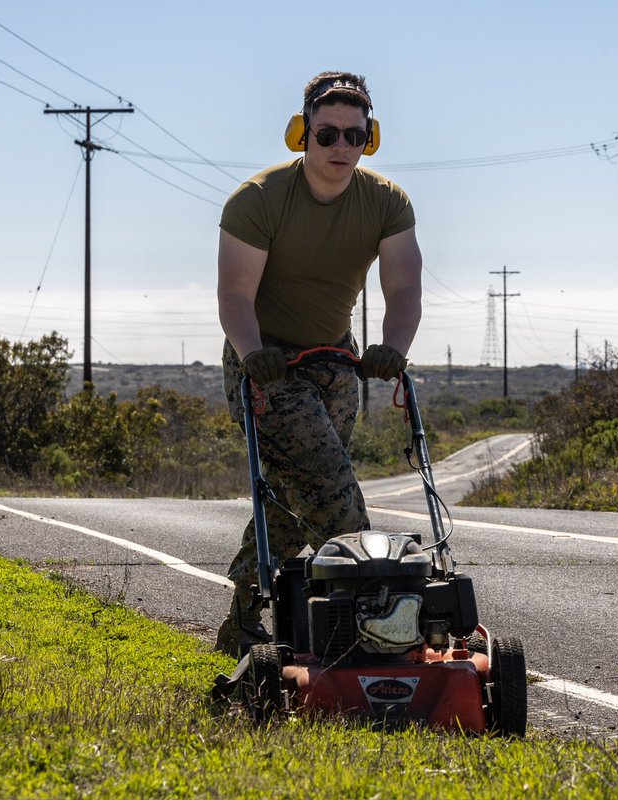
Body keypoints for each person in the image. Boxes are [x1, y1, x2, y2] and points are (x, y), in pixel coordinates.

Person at [214, 71, 423, 657]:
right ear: (301, 133)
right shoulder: (258, 200)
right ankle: (371, 638)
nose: (340, 148)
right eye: (327, 133)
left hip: (335, 362)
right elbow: (234, 295)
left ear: (370, 139)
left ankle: (240, 638)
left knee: (289, 504)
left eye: (354, 136)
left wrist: (392, 348)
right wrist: (255, 356)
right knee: (336, 499)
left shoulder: (385, 201)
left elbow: (404, 287)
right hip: (266, 364)